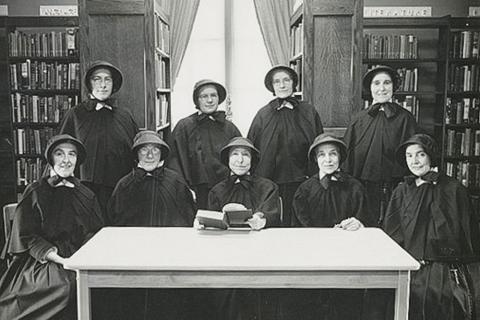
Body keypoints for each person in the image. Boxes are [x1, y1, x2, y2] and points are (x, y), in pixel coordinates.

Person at [0, 134, 104, 320]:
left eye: (71, 154)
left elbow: (94, 232)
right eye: (59, 154)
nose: (66, 160)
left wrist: (81, 257)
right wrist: (58, 258)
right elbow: (27, 236)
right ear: (51, 158)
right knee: (65, 286)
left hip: (78, 257)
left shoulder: (87, 195)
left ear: (77, 159)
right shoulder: (35, 191)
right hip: (40, 260)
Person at [380, 134, 480, 320]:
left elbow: (465, 233)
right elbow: (392, 232)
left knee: (441, 297)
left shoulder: (453, 189)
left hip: (444, 266)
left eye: (420, 155)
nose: (414, 161)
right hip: (408, 264)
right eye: (409, 156)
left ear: (430, 156)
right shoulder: (401, 190)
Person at [104, 130, 196, 320]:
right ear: (136, 154)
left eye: (155, 149)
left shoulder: (177, 182)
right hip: (133, 259)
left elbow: (188, 219)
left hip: (170, 258)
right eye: (144, 149)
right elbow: (114, 225)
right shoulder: (124, 185)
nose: (150, 154)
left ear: (162, 154)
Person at [197, 136, 280, 320]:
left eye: (245, 155)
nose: (240, 160)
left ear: (253, 160)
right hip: (225, 257)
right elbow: (211, 221)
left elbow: (271, 213)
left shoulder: (268, 187)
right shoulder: (217, 190)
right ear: (227, 159)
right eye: (235, 154)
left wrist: (259, 218)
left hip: (259, 256)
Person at [289, 133, 367, 320]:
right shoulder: (304, 190)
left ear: (340, 157)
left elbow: (367, 221)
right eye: (322, 155)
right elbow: (298, 227)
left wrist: (359, 223)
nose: (328, 159)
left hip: (348, 259)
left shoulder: (355, 187)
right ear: (315, 159)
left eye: (333, 154)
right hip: (314, 259)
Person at [58, 60, 139, 214]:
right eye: (97, 79)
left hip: (120, 191)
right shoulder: (75, 115)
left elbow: (136, 152)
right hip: (84, 193)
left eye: (107, 79)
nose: (103, 85)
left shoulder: (125, 115)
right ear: (89, 84)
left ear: (113, 84)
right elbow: (59, 153)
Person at [247, 65, 323, 227]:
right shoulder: (263, 114)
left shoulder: (309, 112)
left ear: (293, 83)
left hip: (302, 181)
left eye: (286, 80)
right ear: (272, 86)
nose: (282, 85)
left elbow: (319, 146)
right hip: (271, 183)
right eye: (277, 82)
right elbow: (252, 148)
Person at [343, 65, 417, 227]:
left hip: (396, 189)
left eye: (387, 83)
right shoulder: (358, 120)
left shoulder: (406, 118)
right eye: (376, 83)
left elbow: (413, 154)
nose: (382, 88)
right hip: (364, 188)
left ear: (393, 86)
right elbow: (348, 156)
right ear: (370, 88)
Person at [168, 79, 241, 209]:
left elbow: (240, 157)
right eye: (204, 96)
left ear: (219, 99)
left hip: (225, 192)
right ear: (197, 100)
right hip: (194, 193)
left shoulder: (230, 128)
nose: (209, 100)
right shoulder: (184, 126)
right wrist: (184, 189)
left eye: (213, 95)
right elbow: (174, 162)